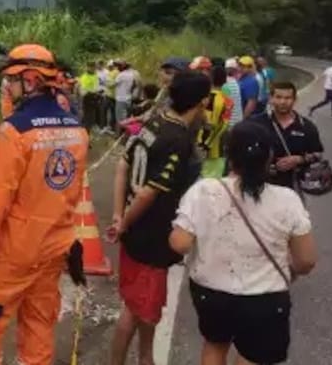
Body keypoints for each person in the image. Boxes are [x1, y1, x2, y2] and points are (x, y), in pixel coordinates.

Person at [0, 44, 89, 365]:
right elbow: (72, 194)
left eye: (12, 79)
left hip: (15, 251)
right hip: (54, 246)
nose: (7, 86)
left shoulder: (13, 132)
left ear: (31, 80)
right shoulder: (77, 130)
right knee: (38, 323)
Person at [169, 120, 317, 365]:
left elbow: (179, 244)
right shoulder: (287, 200)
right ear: (269, 156)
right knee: (253, 357)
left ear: (228, 153)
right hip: (264, 297)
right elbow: (306, 261)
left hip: (210, 292)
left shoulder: (203, 191)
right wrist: (290, 271)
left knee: (215, 346)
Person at [108, 70, 211, 365]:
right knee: (138, 310)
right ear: (202, 101)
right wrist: (124, 222)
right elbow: (147, 194)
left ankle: (145, 359)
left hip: (133, 231)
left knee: (138, 307)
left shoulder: (153, 121)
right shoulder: (177, 138)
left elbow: (121, 166)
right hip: (151, 240)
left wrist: (119, 217)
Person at [252, 82, 324, 193]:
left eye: (287, 98)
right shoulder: (255, 124)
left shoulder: (306, 127)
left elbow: (318, 154)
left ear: (295, 100)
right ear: (271, 99)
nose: (283, 102)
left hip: (293, 188)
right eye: (278, 97)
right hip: (259, 188)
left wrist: (299, 159)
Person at [199, 65, 233, 178]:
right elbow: (223, 125)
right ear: (225, 81)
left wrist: (202, 144)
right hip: (217, 148)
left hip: (198, 146)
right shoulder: (227, 101)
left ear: (210, 78)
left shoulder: (203, 98)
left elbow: (205, 122)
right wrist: (208, 144)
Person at [78, 62, 102, 131]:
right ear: (88, 67)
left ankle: (90, 127)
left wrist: (98, 91)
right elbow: (83, 90)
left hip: (95, 97)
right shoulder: (84, 77)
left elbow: (96, 85)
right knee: (87, 116)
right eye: (91, 67)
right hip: (87, 98)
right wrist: (92, 91)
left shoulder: (95, 75)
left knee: (93, 115)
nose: (93, 69)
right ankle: (85, 130)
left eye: (94, 67)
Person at [222, 58, 244, 128]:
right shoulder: (236, 83)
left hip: (230, 123)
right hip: (238, 121)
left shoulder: (225, 84)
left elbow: (226, 105)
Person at [114, 60, 136, 129]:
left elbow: (113, 84)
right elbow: (134, 85)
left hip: (120, 99)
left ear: (122, 67)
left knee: (119, 119)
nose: (117, 68)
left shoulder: (121, 75)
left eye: (118, 66)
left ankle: (118, 135)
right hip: (128, 98)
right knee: (127, 118)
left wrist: (106, 83)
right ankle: (126, 133)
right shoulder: (131, 74)